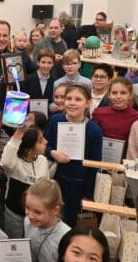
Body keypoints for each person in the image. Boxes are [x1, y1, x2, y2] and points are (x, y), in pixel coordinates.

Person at [45, 84, 102, 226]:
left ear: (88, 103)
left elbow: (94, 164)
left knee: (68, 222)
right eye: (68, 98)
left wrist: (88, 194)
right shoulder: (55, 120)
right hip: (54, 179)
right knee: (50, 217)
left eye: (78, 99)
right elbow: (44, 146)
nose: (72, 103)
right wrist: (53, 153)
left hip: (77, 185)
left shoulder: (94, 130)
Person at [1, 114, 49, 238]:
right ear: (28, 150)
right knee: (15, 242)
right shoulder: (14, 163)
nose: (46, 142)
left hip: (35, 216)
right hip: (14, 214)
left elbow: (46, 187)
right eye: (40, 141)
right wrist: (18, 133)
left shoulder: (43, 161)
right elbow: (5, 161)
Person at [92, 77, 138, 157]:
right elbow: (93, 138)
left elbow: (137, 145)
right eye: (114, 93)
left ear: (130, 95)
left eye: (123, 93)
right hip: (99, 158)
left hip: (124, 162)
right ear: (109, 94)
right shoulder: (99, 113)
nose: (118, 96)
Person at [24, 178, 70, 262]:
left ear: (55, 210)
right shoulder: (28, 222)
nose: (30, 216)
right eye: (27, 208)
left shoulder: (66, 237)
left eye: (38, 212)